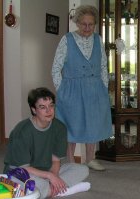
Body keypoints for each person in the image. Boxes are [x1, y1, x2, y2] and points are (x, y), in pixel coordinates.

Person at [52, 5, 111, 171]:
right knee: (72, 126)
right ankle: (71, 162)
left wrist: (104, 89)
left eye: (91, 24)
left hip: (95, 89)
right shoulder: (67, 39)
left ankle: (90, 159)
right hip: (72, 90)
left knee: (92, 124)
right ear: (77, 23)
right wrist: (61, 89)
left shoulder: (98, 40)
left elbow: (103, 66)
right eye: (84, 24)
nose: (87, 28)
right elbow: (56, 67)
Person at [4, 87, 91, 199]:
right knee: (34, 184)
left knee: (83, 169)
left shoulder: (59, 128)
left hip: (46, 171)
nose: (49, 110)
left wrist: (53, 176)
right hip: (19, 172)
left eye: (51, 106)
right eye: (42, 107)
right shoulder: (22, 131)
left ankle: (50, 190)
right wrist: (50, 177)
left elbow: (55, 160)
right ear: (34, 110)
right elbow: (24, 168)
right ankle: (63, 190)